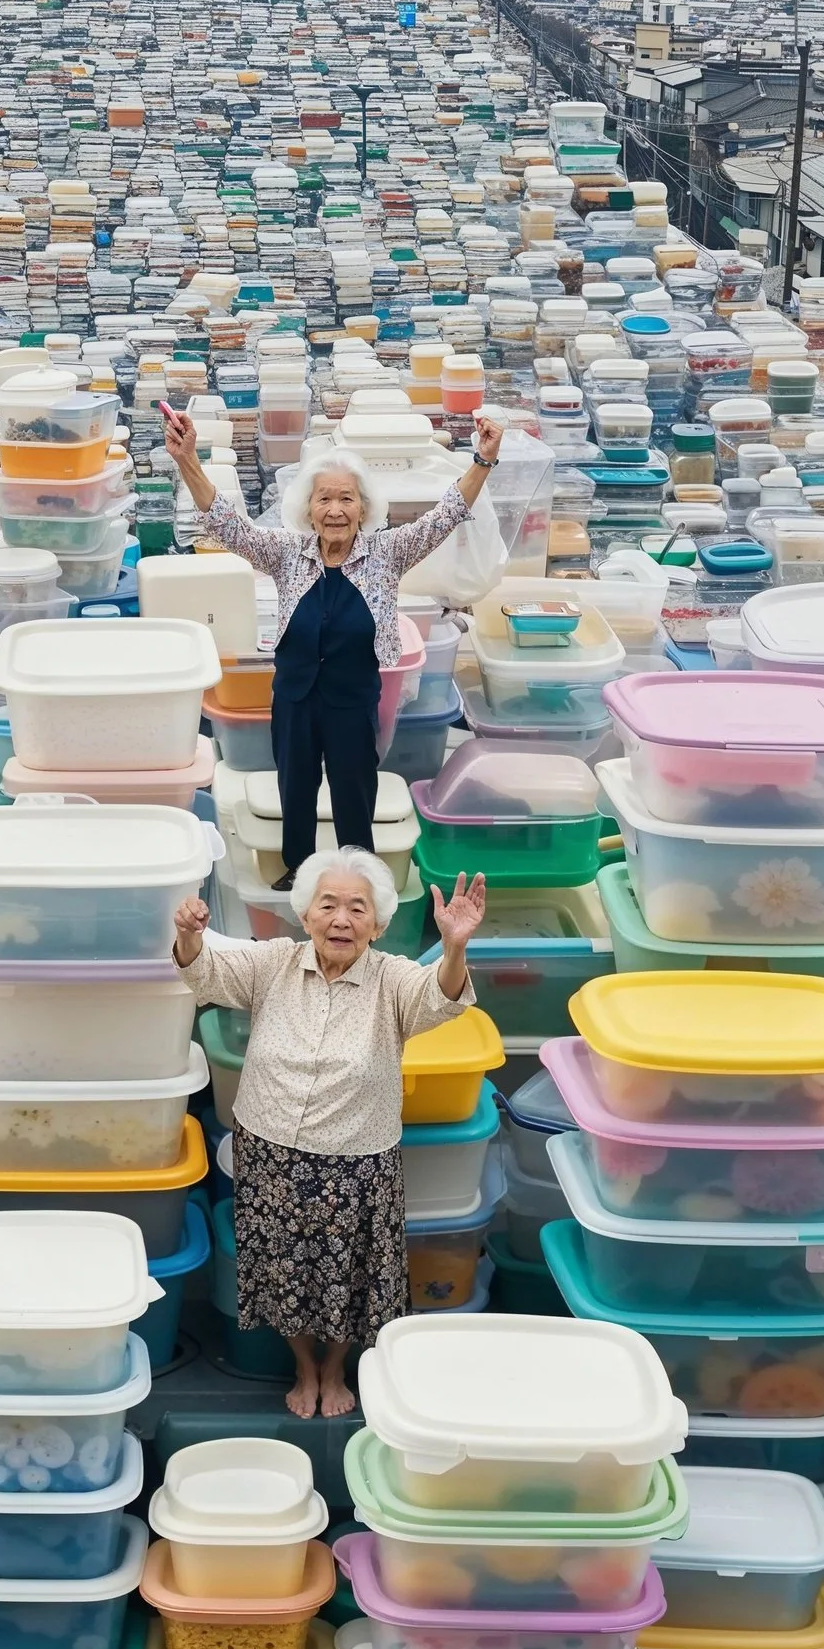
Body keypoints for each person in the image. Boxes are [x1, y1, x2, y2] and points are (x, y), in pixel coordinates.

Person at [175, 849, 488, 1419]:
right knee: (282, 1267)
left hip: (356, 1158)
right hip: (270, 1149)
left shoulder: (393, 980)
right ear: (306, 916)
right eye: (328, 905)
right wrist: (190, 935)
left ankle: (335, 1367)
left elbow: (441, 999)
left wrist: (455, 946)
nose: (341, 919)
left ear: (379, 924)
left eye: (357, 908)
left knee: (353, 1273)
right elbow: (203, 973)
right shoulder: (273, 964)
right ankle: (303, 1366)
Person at [160, 403, 502, 887]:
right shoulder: (286, 553)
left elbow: (447, 514)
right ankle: (298, 868)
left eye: (346, 499)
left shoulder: (387, 553)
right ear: (308, 507)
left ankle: (356, 876)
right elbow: (226, 523)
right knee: (294, 786)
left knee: (353, 791)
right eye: (324, 499)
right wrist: (187, 460)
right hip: (295, 697)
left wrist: (483, 460)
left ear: (363, 507)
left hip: (353, 699)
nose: (335, 510)